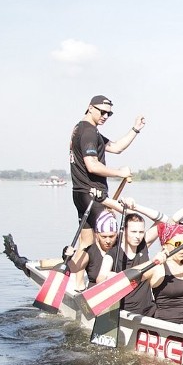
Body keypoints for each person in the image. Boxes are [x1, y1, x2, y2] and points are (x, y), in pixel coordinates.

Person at [69, 94, 145, 249]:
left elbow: (116, 147)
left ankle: (76, 272)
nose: (105, 116)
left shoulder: (81, 128)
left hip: (80, 193)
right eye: (102, 112)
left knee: (87, 243)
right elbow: (92, 166)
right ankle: (115, 269)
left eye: (109, 114)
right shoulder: (89, 132)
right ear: (90, 108)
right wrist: (120, 173)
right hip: (94, 195)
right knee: (131, 222)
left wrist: (135, 129)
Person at [97, 204, 168, 317]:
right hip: (124, 312)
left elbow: (163, 220)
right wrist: (109, 277)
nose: (137, 236)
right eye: (133, 232)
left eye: (140, 232)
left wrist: (136, 207)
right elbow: (100, 278)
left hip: (148, 309)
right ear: (124, 231)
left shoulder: (143, 244)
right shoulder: (113, 252)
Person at [150, 223, 183, 326]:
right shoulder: (158, 268)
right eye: (177, 244)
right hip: (166, 325)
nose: (182, 248)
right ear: (165, 245)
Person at [68, 211, 120, 290]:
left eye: (111, 236)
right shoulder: (90, 250)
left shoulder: (121, 248)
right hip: (95, 294)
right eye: (104, 237)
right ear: (97, 235)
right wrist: (68, 258)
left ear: (117, 234)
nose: (108, 241)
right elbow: (74, 268)